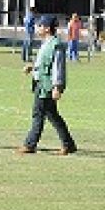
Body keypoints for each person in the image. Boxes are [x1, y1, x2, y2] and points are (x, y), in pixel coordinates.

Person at [18, 15, 76, 155]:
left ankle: (30, 144)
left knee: (38, 114)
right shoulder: (46, 43)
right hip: (41, 83)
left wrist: (57, 87)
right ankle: (68, 144)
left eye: (40, 26)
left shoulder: (56, 45)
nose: (38, 28)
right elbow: (44, 64)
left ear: (47, 28)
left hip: (46, 86)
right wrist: (32, 67)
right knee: (52, 115)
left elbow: (58, 67)